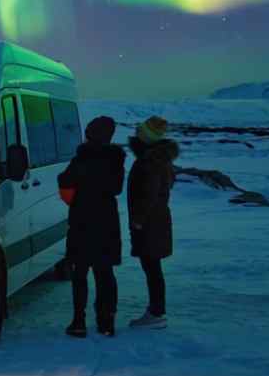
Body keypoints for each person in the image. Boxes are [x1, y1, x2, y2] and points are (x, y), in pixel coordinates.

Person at [56, 115, 126, 337]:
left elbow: (65, 181)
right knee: (105, 272)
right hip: (106, 220)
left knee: (80, 273)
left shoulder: (81, 159)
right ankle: (107, 321)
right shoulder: (116, 159)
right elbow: (116, 189)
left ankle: (79, 321)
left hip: (82, 220)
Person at [126, 116, 178, 330]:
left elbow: (150, 194)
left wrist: (138, 219)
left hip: (150, 223)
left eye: (141, 131)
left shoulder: (152, 161)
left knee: (152, 267)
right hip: (155, 221)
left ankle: (157, 313)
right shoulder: (155, 158)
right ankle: (156, 311)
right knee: (152, 267)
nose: (137, 133)